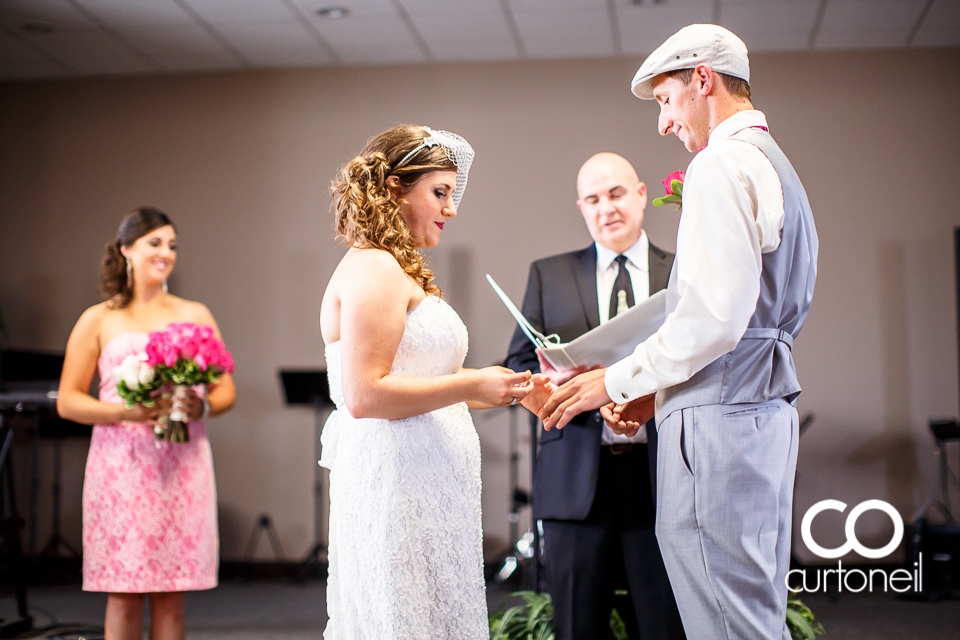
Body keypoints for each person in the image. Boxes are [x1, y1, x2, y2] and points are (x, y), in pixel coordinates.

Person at [539, 24, 818, 640]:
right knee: (751, 614)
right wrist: (655, 393)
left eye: (665, 100)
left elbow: (712, 319)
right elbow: (750, 317)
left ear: (702, 79)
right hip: (760, 413)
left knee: (721, 620)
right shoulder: (777, 167)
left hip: (717, 424)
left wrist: (610, 379)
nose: (663, 123)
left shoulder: (720, 164)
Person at [318, 124, 550, 639]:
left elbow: (425, 381)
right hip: (396, 485)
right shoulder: (374, 269)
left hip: (424, 485)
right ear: (396, 188)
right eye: (440, 192)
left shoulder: (392, 268)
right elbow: (365, 394)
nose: (452, 207)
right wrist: (471, 387)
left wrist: (512, 387)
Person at [505, 152, 683, 639]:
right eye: (593, 199)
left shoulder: (684, 272)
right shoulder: (549, 274)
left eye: (617, 193)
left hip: (664, 479)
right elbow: (518, 367)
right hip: (575, 480)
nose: (606, 207)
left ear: (643, 195)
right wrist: (552, 386)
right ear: (581, 208)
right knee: (577, 630)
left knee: (667, 629)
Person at [57, 207, 237, 640]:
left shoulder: (195, 314)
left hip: (182, 466)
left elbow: (226, 391)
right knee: (123, 592)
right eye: (155, 243)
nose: (166, 253)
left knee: (173, 595)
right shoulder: (98, 319)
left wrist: (202, 408)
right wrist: (125, 411)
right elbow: (68, 401)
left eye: (172, 245)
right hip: (121, 469)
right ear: (126, 251)